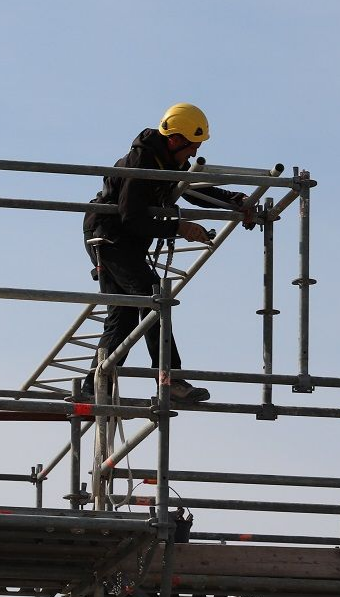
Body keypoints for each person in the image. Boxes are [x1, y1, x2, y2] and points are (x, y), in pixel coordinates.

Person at [79, 102, 255, 404]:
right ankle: (169, 380)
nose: (192, 154)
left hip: (123, 242)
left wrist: (235, 200)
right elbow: (130, 217)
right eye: (191, 147)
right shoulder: (142, 163)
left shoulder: (168, 161)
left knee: (122, 318)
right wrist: (178, 228)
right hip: (109, 239)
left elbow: (193, 189)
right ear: (175, 139)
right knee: (153, 297)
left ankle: (95, 386)